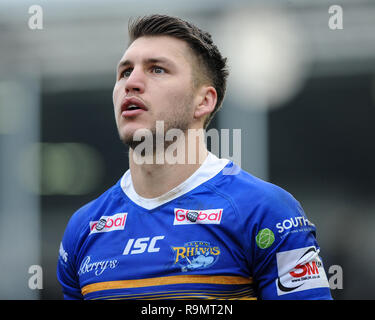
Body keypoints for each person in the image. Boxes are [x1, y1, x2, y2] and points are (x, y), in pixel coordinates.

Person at [57, 14, 332, 300]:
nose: (132, 82)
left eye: (157, 70)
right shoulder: (84, 227)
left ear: (204, 101)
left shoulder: (266, 212)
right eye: (125, 72)